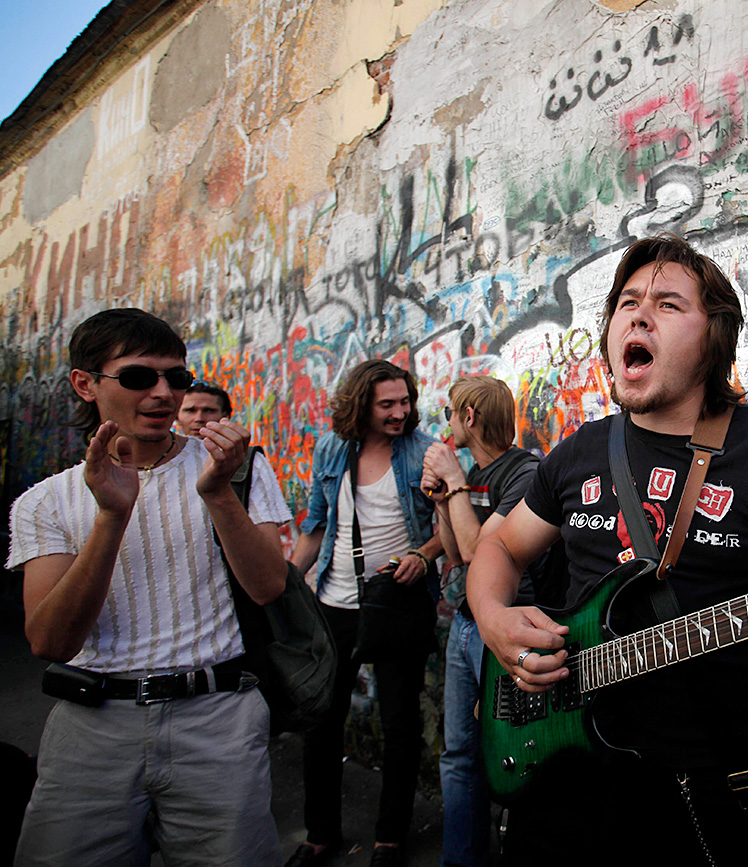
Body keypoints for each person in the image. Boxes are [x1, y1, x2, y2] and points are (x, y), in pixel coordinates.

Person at [466, 234, 748, 865]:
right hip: (562, 776)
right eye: (628, 303)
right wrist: (493, 618)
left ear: (713, 339)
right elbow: (499, 547)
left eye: (668, 304)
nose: (638, 314)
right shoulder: (580, 450)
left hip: (705, 790)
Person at [7, 307, 291, 865]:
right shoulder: (46, 501)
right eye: (139, 377)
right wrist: (111, 517)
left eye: (176, 378)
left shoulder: (235, 470)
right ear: (85, 384)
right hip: (92, 728)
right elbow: (49, 642)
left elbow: (267, 587)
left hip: (217, 721)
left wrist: (217, 494)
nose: (163, 393)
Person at [287, 360, 443, 867]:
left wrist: (424, 555)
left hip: (397, 605)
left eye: (406, 402)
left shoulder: (423, 452)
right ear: (362, 405)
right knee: (322, 720)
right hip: (335, 603)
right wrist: (288, 589)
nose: (401, 412)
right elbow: (315, 524)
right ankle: (320, 832)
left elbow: (452, 527)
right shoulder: (333, 449)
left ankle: (390, 837)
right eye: (388, 405)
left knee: (399, 724)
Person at [421, 375, 543, 867]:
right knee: (458, 755)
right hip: (466, 627)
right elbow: (454, 553)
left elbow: (479, 551)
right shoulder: (473, 471)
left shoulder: (524, 474)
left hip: (504, 634)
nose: (447, 422)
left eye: (451, 412)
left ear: (468, 417)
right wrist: (443, 500)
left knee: (515, 758)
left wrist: (453, 482)